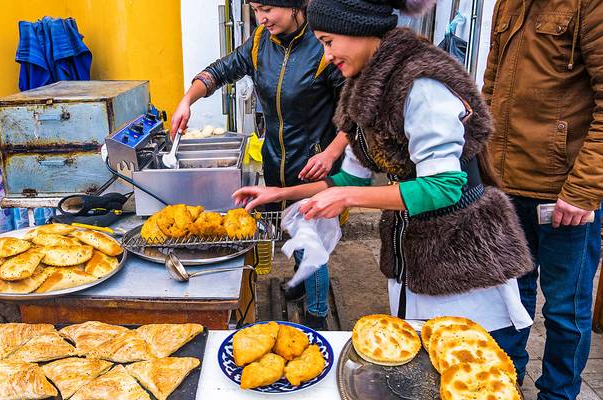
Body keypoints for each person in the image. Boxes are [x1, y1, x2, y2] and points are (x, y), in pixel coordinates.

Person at [234, 0, 536, 336]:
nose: (326, 55)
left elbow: (444, 186)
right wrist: (281, 192)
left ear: (359, 29)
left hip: (461, 257)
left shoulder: (420, 86)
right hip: (410, 251)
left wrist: (347, 198)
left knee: (462, 362)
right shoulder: (364, 88)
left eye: (328, 42)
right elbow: (350, 178)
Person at [171, 0, 348, 329]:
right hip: (277, 161)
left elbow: (353, 111)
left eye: (268, 8)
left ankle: (318, 316)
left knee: (312, 241)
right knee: (291, 225)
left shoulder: (323, 47)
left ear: (295, 5)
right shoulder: (258, 44)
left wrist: (331, 153)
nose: (262, 18)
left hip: (315, 164)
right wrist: (187, 99)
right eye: (255, 9)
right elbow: (220, 71)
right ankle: (298, 286)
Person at [482, 0, 603, 397]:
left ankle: (558, 393)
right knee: (508, 301)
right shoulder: (507, 3)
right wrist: (481, 171)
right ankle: (504, 384)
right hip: (506, 190)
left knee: (565, 313)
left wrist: (583, 191)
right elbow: (490, 88)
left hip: (565, 198)